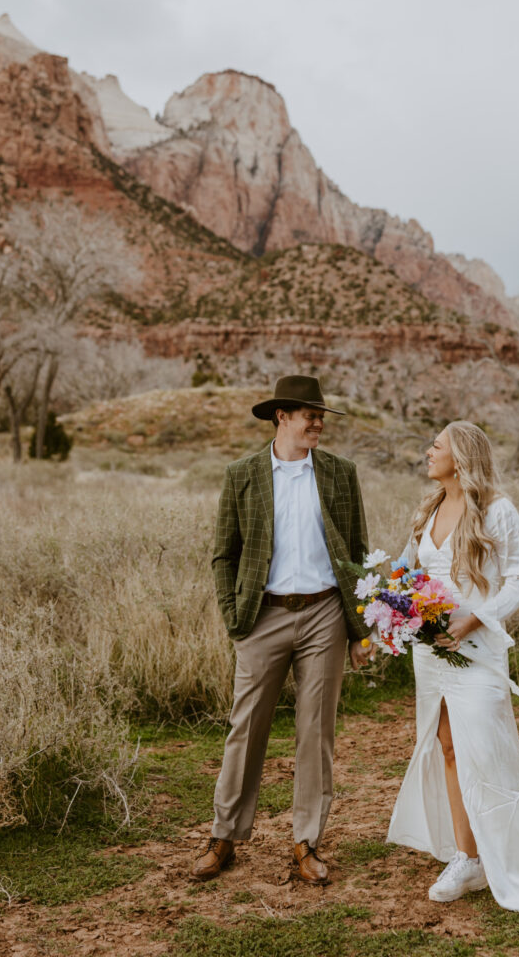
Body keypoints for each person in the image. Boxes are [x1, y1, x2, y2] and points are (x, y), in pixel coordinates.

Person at [387, 421, 519, 915]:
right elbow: (405, 572)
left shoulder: (499, 510)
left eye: (437, 447)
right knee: (448, 747)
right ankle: (467, 857)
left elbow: (518, 582)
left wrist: (474, 619)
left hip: (475, 648)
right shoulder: (428, 507)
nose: (428, 453)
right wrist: (394, 609)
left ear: (461, 457)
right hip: (430, 650)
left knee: (489, 755)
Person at [193, 375, 375, 885]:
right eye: (307, 413)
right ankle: (224, 836)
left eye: (320, 414)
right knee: (245, 726)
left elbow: (358, 553)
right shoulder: (242, 474)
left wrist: (360, 629)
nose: (317, 422)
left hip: (325, 615)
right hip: (262, 616)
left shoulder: (341, 473)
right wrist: (236, 619)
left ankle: (306, 842)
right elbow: (223, 553)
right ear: (281, 417)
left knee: (316, 732)